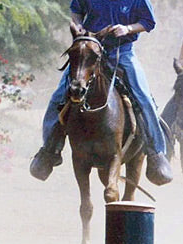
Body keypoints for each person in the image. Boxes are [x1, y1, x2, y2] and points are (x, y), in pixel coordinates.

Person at [29, 0, 173, 185]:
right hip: (89, 50)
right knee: (58, 96)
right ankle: (49, 151)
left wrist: (128, 29)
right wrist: (79, 26)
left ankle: (155, 153)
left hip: (122, 52)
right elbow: (76, 11)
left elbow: (147, 22)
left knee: (144, 98)